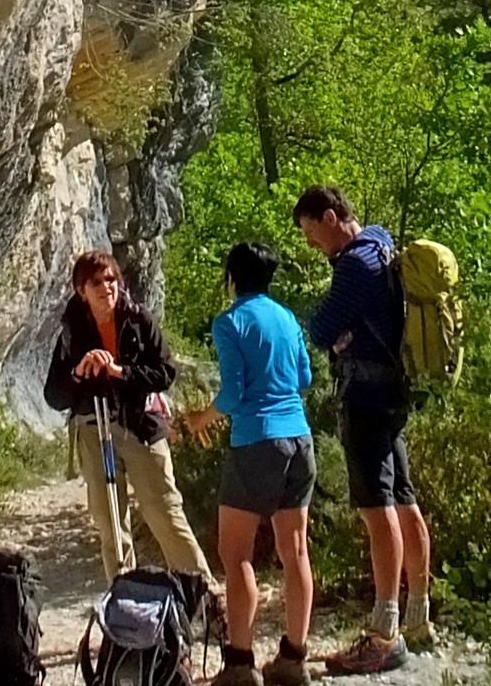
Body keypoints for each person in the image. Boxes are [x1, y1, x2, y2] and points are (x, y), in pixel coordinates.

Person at [291, 185, 435, 675]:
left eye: (312, 231)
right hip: (395, 390)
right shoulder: (383, 242)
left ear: (331, 217)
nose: (312, 243)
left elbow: (321, 326)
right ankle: (419, 616)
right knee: (404, 499)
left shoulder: (355, 263)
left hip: (366, 395)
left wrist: (339, 330)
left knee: (377, 510)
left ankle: (383, 630)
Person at [184, 243, 316, 686]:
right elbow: (304, 379)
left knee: (235, 552)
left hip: (256, 441)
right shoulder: (287, 317)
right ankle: (294, 658)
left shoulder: (230, 322)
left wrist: (200, 418)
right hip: (299, 438)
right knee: (294, 550)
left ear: (232, 277)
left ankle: (240, 663)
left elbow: (234, 394)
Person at [43, 250, 213, 580]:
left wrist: (120, 372)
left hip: (142, 425)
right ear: (82, 290)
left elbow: (165, 373)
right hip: (94, 429)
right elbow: (55, 396)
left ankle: (203, 594)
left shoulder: (138, 319)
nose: (107, 287)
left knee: (164, 510)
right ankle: (123, 603)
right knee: (110, 525)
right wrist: (79, 372)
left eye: (112, 279)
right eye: (97, 281)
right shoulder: (71, 331)